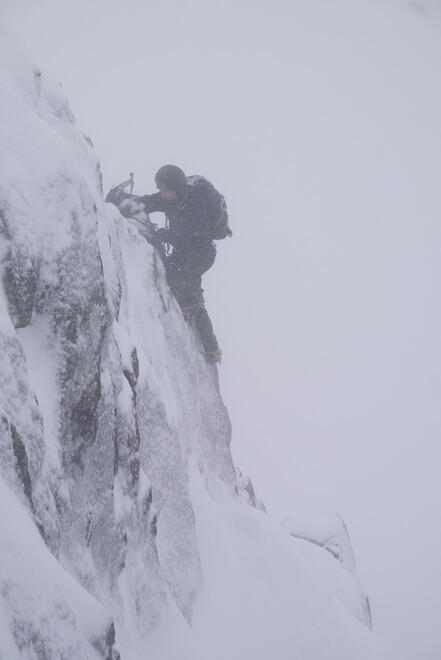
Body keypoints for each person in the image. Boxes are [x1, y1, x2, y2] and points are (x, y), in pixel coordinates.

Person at [140, 165, 230, 364]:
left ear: (176, 188)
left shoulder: (195, 203)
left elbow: (183, 235)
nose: (162, 194)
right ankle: (191, 310)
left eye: (165, 190)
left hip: (202, 251)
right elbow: (150, 201)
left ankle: (211, 348)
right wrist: (128, 202)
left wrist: (161, 234)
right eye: (161, 189)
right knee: (172, 272)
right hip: (188, 248)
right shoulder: (171, 198)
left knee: (189, 289)